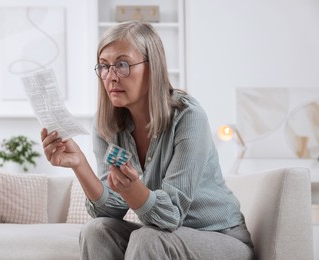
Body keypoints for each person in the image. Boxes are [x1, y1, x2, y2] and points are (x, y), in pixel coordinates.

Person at [41, 21, 255, 260]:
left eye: (122, 65)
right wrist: (79, 164)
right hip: (165, 235)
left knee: (148, 237)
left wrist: (133, 189)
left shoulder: (188, 117)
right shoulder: (107, 126)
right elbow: (109, 211)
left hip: (220, 238)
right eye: (104, 66)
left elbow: (170, 215)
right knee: (97, 230)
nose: (111, 76)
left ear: (153, 68)